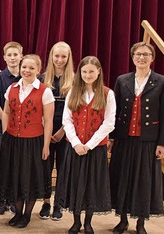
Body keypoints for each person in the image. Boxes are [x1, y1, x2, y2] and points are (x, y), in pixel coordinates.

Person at [109, 42, 164, 234]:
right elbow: (115, 111)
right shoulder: (122, 80)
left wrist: (162, 143)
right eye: (138, 54)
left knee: (143, 182)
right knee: (122, 179)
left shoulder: (163, 82)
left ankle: (141, 223)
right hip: (124, 139)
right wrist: (111, 138)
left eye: (146, 54)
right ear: (132, 57)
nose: (141, 58)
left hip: (148, 141)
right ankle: (122, 219)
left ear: (152, 58)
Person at [57, 56, 115, 234]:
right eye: (84, 71)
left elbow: (109, 123)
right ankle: (76, 221)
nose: (88, 75)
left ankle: (88, 222)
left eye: (91, 71)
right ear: (79, 73)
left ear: (98, 72)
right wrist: (75, 143)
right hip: (74, 148)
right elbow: (66, 121)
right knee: (75, 183)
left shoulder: (107, 93)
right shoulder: (73, 92)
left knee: (91, 185)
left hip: (94, 149)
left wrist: (88, 145)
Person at [0, 54, 54, 228]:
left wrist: (46, 146)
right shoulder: (12, 88)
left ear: (38, 69)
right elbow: (6, 112)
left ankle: (27, 215)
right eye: (24, 67)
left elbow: (49, 120)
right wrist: (7, 133)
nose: (27, 71)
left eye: (31, 68)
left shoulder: (45, 91)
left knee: (29, 178)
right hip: (13, 140)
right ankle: (18, 213)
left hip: (34, 142)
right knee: (15, 177)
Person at [37, 41, 74, 221]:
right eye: (56, 56)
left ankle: (58, 204)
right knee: (45, 168)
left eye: (63, 56)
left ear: (68, 58)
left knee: (62, 169)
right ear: (51, 57)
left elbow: (76, 111)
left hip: (66, 132)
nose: (59, 60)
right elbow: (37, 107)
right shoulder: (42, 79)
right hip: (45, 131)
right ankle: (45, 202)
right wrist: (46, 129)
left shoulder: (75, 80)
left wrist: (62, 131)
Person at [0, 41, 23, 215]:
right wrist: (6, 120)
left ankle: (13, 199)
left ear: (21, 56)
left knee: (16, 163)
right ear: (4, 57)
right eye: (9, 55)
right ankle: (0, 199)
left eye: (15, 54)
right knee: (3, 163)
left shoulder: (26, 76)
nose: (12, 58)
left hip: (22, 129)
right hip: (2, 128)